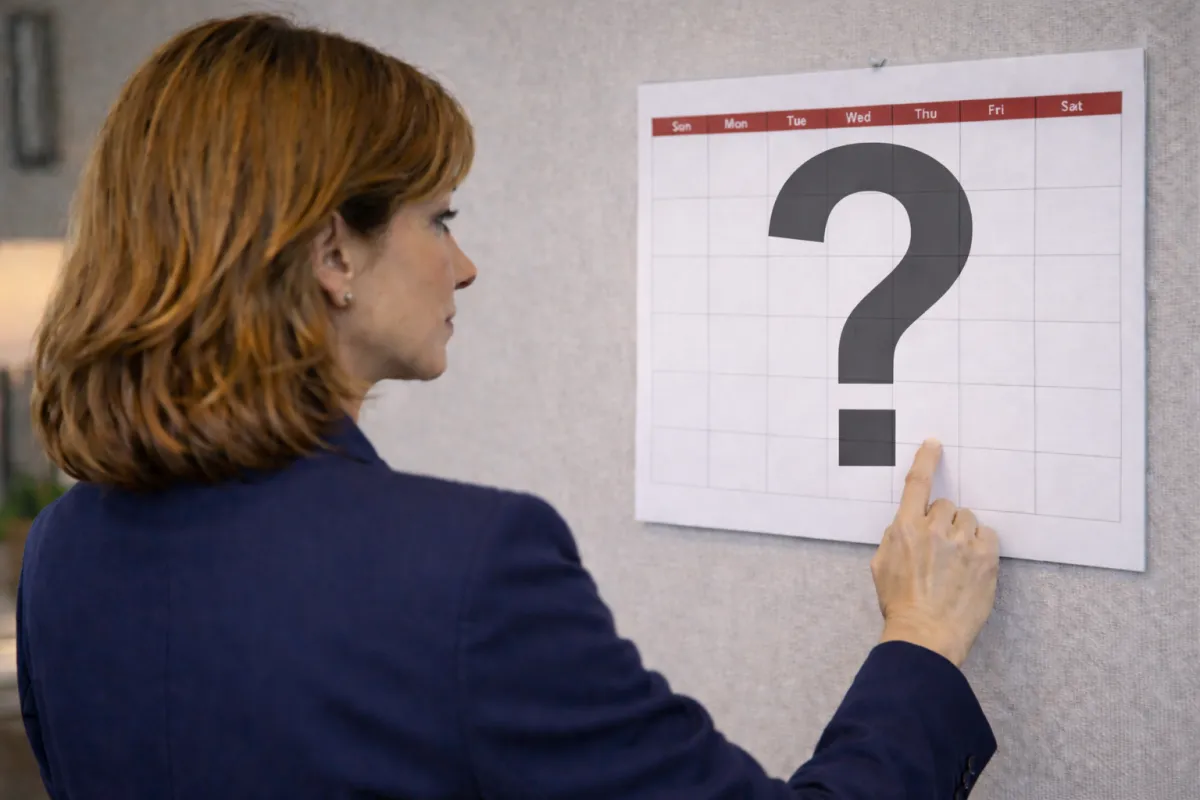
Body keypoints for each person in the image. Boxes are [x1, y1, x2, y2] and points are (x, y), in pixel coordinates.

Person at [15, 12, 1000, 800]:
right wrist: (919, 639)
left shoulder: (68, 547)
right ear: (332, 254)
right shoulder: (463, 571)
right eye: (439, 218)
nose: (465, 264)